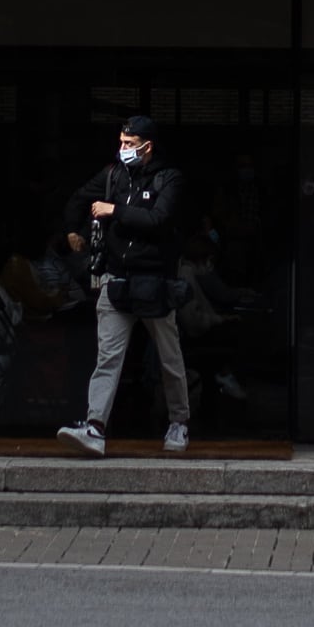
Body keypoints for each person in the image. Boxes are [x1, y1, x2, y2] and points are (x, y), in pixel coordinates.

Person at [58, 115, 191, 455]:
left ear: (147, 146)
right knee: (108, 358)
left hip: (155, 282)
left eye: (130, 145)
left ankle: (179, 423)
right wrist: (73, 228)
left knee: (169, 358)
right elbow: (78, 197)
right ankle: (95, 427)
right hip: (117, 280)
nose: (123, 149)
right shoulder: (113, 174)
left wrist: (114, 210)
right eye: (121, 142)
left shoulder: (169, 178)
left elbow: (158, 219)